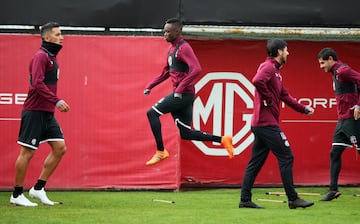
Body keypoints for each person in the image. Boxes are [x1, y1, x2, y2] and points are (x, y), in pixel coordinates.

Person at [143, 18, 234, 165]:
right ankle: (222, 139)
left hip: (183, 95)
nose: (164, 34)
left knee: (152, 113)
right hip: (183, 95)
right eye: (164, 31)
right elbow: (166, 72)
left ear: (177, 31)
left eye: (168, 31)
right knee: (186, 133)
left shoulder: (183, 47)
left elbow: (196, 68)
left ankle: (160, 151)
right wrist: (150, 85)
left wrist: (179, 89)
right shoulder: (172, 49)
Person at [239, 39, 315, 209]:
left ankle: (245, 200)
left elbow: (285, 96)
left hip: (261, 124)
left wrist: (304, 109)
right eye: (287, 51)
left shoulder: (276, 72)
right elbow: (257, 80)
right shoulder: (268, 67)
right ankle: (293, 199)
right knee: (287, 156)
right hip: (266, 124)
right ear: (279, 51)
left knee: (255, 162)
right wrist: (267, 99)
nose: (288, 53)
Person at [10, 22, 70, 206]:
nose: (62, 37)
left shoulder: (52, 57)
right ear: (46, 37)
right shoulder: (41, 56)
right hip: (34, 111)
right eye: (58, 34)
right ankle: (17, 194)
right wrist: (57, 100)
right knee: (27, 152)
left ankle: (37, 189)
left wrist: (52, 104)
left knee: (60, 148)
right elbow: (37, 83)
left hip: (47, 113)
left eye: (61, 34)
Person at [317, 48, 360, 201]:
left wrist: (359, 105)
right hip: (342, 120)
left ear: (330, 59)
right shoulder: (335, 73)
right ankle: (333, 190)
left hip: (352, 119)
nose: (321, 67)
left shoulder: (343, 71)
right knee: (335, 153)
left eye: (322, 63)